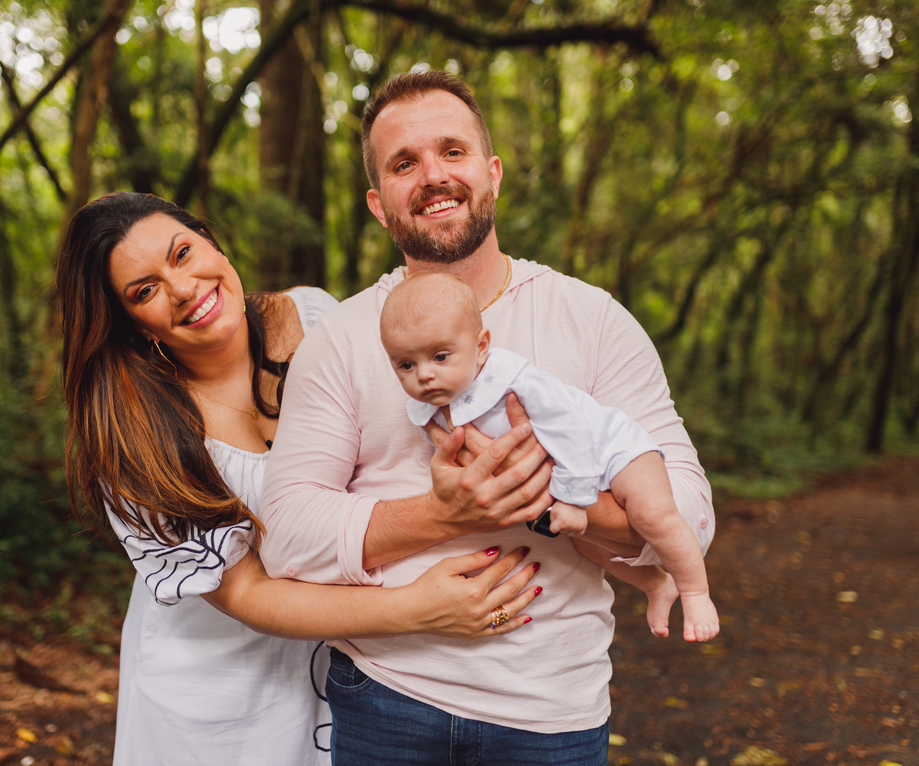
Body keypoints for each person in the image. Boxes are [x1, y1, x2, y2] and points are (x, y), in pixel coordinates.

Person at [260, 71, 714, 764]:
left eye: (452, 151)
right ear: (379, 205)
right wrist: (447, 513)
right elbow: (287, 537)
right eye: (405, 163)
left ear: (492, 173)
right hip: (385, 696)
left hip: (553, 712)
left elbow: (691, 516)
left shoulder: (591, 320)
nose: (433, 176)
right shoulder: (342, 340)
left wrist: (566, 504)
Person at [56, 191, 543, 766]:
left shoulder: (317, 318)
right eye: (145, 290)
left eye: (183, 253)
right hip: (220, 700)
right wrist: (416, 608)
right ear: (131, 324)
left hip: (354, 673)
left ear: (211, 242)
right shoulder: (133, 433)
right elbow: (246, 592)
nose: (183, 288)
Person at [380, 270, 719, 642]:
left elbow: (569, 429)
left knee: (653, 514)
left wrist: (574, 496)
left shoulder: (513, 380)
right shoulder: (429, 407)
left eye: (440, 356)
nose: (424, 375)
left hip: (613, 449)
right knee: (589, 548)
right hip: (563, 474)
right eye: (406, 365)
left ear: (480, 347)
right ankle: (656, 585)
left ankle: (696, 592)